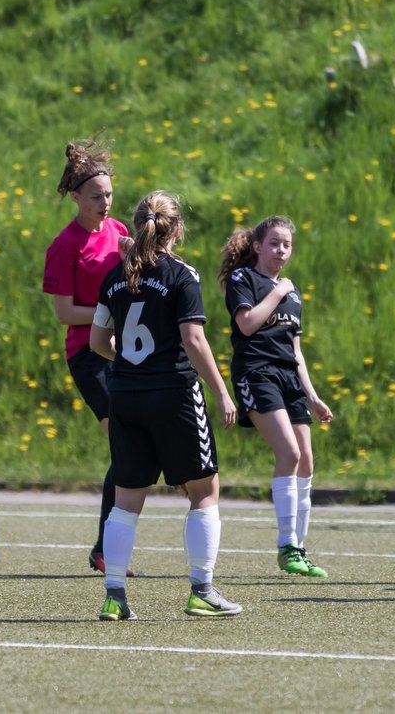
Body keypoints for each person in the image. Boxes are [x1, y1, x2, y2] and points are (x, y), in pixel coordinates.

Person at [89, 191, 241, 619]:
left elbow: (97, 343)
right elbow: (193, 340)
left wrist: (131, 363)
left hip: (125, 395)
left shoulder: (115, 276)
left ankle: (114, 598)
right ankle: (202, 590)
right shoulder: (182, 275)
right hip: (172, 393)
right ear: (176, 229)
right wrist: (222, 392)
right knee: (204, 490)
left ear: (138, 227)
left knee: (126, 500)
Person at [218, 216, 333, 579]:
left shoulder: (293, 292)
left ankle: (299, 547)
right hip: (257, 372)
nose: (281, 250)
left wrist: (312, 396)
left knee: (307, 462)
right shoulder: (244, 280)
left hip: (288, 377)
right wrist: (278, 291)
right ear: (257, 246)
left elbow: (295, 350)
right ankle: (286, 545)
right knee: (289, 453)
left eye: (286, 244)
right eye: (274, 243)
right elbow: (248, 324)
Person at [42, 137, 132, 575]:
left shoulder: (119, 233)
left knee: (131, 446)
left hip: (123, 350)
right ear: (76, 197)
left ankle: (106, 547)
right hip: (89, 355)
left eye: (110, 195)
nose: (105, 203)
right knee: (125, 440)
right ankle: (105, 549)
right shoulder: (64, 245)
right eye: (96, 196)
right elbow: (64, 313)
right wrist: (108, 314)